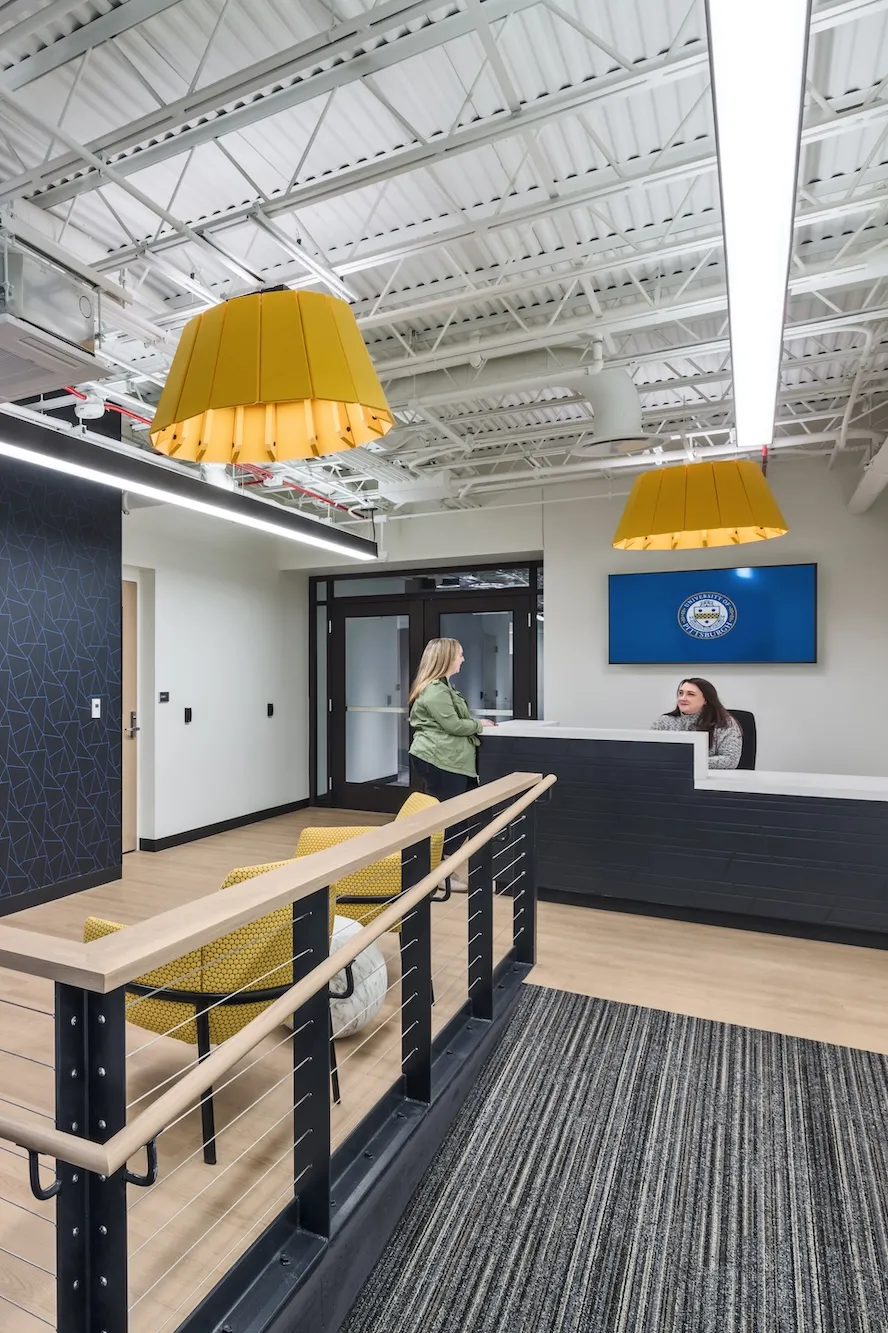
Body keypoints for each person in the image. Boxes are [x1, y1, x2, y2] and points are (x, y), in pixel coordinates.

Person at [408, 638, 495, 887]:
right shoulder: (435, 690)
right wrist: (480, 725)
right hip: (440, 761)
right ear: (446, 658)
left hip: (450, 761)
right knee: (454, 818)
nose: (463, 659)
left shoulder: (444, 687)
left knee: (463, 816)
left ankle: (440, 870)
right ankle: (438, 873)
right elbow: (454, 725)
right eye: (460, 655)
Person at [651, 677, 742, 770]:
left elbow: (730, 760)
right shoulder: (664, 721)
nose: (683, 698)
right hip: (669, 775)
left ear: (706, 700)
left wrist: (688, 762)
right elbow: (650, 753)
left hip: (712, 779)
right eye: (680, 693)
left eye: (691, 694)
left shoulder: (724, 723)